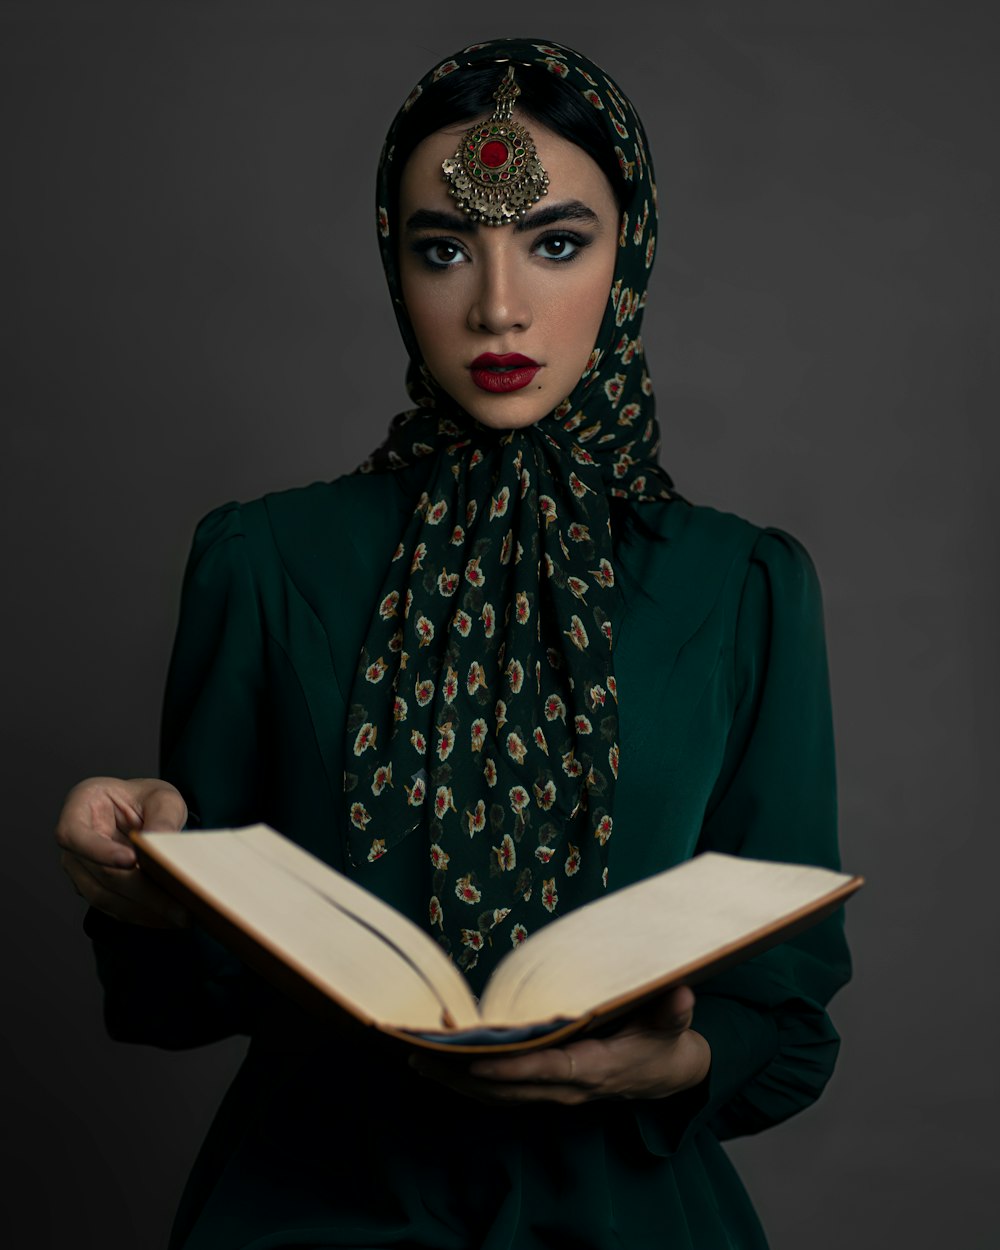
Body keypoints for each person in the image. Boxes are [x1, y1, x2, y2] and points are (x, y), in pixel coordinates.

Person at [56, 38, 850, 1250]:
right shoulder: (264, 559)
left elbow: (786, 1016)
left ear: (627, 255)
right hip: (313, 1206)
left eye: (555, 242)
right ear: (392, 260)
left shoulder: (740, 583)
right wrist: (143, 889)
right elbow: (175, 1000)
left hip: (629, 1214)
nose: (495, 304)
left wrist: (668, 1059)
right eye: (443, 249)